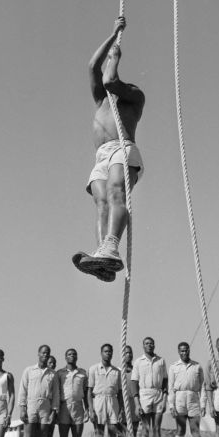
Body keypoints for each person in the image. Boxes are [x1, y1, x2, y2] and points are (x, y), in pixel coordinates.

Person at [72, 16, 145, 283]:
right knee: (100, 204)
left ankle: (112, 246)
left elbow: (111, 79)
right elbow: (93, 66)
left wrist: (115, 58)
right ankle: (102, 258)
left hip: (121, 149)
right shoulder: (101, 99)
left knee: (116, 194)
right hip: (101, 156)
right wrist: (112, 37)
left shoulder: (133, 95)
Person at [18, 344, 59, 437]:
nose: (45, 355)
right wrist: (22, 408)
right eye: (43, 352)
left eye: (47, 353)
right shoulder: (29, 370)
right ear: (38, 354)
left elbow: (56, 394)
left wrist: (54, 412)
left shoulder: (52, 374)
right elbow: (23, 390)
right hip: (31, 404)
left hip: (45, 406)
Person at [131, 337, 168, 437]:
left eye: (151, 343)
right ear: (143, 346)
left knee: (156, 427)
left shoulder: (161, 361)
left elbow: (165, 381)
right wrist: (137, 404)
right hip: (144, 394)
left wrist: (164, 399)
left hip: (158, 394)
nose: (149, 345)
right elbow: (134, 383)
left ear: (154, 345)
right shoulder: (138, 362)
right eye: (147, 343)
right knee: (145, 428)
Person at [168, 342, 206, 437]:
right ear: (179, 352)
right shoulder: (173, 367)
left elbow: (203, 387)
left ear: (189, 350)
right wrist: (171, 405)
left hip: (193, 399)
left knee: (195, 430)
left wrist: (203, 405)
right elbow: (170, 387)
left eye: (186, 350)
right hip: (179, 399)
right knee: (180, 430)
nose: (184, 353)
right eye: (182, 351)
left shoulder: (197, 366)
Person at [88, 344, 124, 437]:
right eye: (105, 351)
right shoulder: (93, 369)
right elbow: (89, 391)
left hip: (112, 401)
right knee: (99, 434)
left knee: (113, 433)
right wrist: (91, 409)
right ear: (101, 353)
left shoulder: (117, 371)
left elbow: (120, 393)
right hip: (99, 400)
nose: (108, 353)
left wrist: (121, 409)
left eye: (110, 351)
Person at [57, 348, 89, 437]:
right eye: (69, 354)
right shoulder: (60, 373)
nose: (72, 356)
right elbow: (56, 392)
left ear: (77, 357)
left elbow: (86, 392)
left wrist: (87, 409)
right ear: (65, 357)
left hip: (78, 407)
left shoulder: (83, 373)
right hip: (64, 407)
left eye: (74, 354)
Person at [119, 345, 140, 437]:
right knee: (121, 434)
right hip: (123, 403)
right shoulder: (119, 371)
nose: (128, 355)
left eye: (130, 352)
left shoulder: (136, 370)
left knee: (133, 432)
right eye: (126, 353)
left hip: (134, 403)